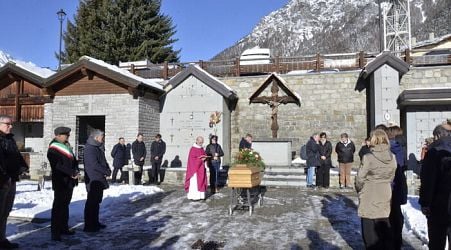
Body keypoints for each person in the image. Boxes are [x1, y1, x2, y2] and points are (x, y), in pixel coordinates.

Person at [355, 129, 396, 249]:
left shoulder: (368, 157)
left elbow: (360, 178)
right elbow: (391, 176)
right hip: (385, 191)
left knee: (369, 229)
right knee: (383, 223)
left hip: (369, 192)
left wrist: (359, 189)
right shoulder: (392, 157)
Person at [419, 124, 451, 249]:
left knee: (437, 242)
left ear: (437, 135)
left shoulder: (433, 152)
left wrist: (425, 203)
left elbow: (428, 180)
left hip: (438, 204)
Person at [0, 115, 28, 249]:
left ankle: (2, 238)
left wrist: (23, 167)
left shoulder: (10, 139)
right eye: (8, 124)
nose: (11, 126)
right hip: (2, 181)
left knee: (5, 211)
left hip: (11, 180)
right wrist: (4, 178)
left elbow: (16, 156)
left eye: (11, 124)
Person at [47, 127, 79, 241]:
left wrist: (76, 170)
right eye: (66, 135)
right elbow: (57, 165)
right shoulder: (53, 148)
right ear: (59, 135)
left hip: (69, 181)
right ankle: (55, 232)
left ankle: (63, 227)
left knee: (65, 206)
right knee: (58, 207)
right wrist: (71, 172)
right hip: (61, 181)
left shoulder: (66, 146)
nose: (68, 137)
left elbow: (73, 161)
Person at [83, 130, 111, 233]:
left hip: (99, 178)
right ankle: (89, 225)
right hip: (93, 179)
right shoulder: (90, 148)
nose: (103, 139)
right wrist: (106, 171)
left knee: (97, 202)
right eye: (102, 137)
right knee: (91, 203)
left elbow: (103, 161)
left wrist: (107, 169)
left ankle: (95, 222)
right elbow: (94, 164)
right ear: (96, 137)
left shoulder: (98, 147)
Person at [387, 126, 408, 249]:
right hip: (399, 183)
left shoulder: (392, 147)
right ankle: (398, 239)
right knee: (397, 214)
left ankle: (393, 240)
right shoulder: (401, 146)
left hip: (392, 184)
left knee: (392, 214)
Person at [185, 136, 208, 201]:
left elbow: (203, 155)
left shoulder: (201, 148)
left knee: (202, 181)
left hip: (201, 168)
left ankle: (201, 196)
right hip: (195, 170)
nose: (201, 143)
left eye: (202, 142)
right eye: (200, 142)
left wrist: (205, 157)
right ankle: (195, 196)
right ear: (197, 141)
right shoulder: (193, 149)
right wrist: (200, 160)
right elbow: (192, 160)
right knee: (195, 183)